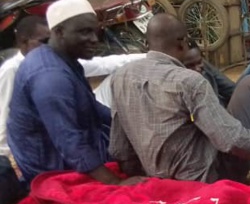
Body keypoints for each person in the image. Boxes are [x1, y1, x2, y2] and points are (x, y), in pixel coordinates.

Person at [110, 14, 250, 183]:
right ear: (182, 42)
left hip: (158, 176)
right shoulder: (188, 81)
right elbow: (230, 140)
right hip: (207, 175)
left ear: (147, 44)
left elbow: (119, 148)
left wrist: (146, 176)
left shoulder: (120, 77)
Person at [7, 0, 137, 186]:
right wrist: (115, 183)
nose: (94, 39)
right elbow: (69, 141)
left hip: (68, 145)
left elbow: (93, 109)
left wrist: (133, 128)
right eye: (85, 32)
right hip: (52, 165)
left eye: (95, 32)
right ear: (59, 32)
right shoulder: (50, 77)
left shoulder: (64, 59)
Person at [0, 16, 144, 156]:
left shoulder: (57, 59)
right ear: (23, 43)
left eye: (50, 41)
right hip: (46, 141)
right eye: (43, 42)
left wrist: (151, 56)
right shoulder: (12, 70)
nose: (48, 46)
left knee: (117, 76)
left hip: (73, 126)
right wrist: (9, 157)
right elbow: (4, 116)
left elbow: (102, 64)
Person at [182, 43, 250, 107]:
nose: (197, 68)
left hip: (229, 103)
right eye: (190, 66)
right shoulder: (181, 84)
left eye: (199, 62)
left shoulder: (199, 62)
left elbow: (230, 89)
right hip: (224, 120)